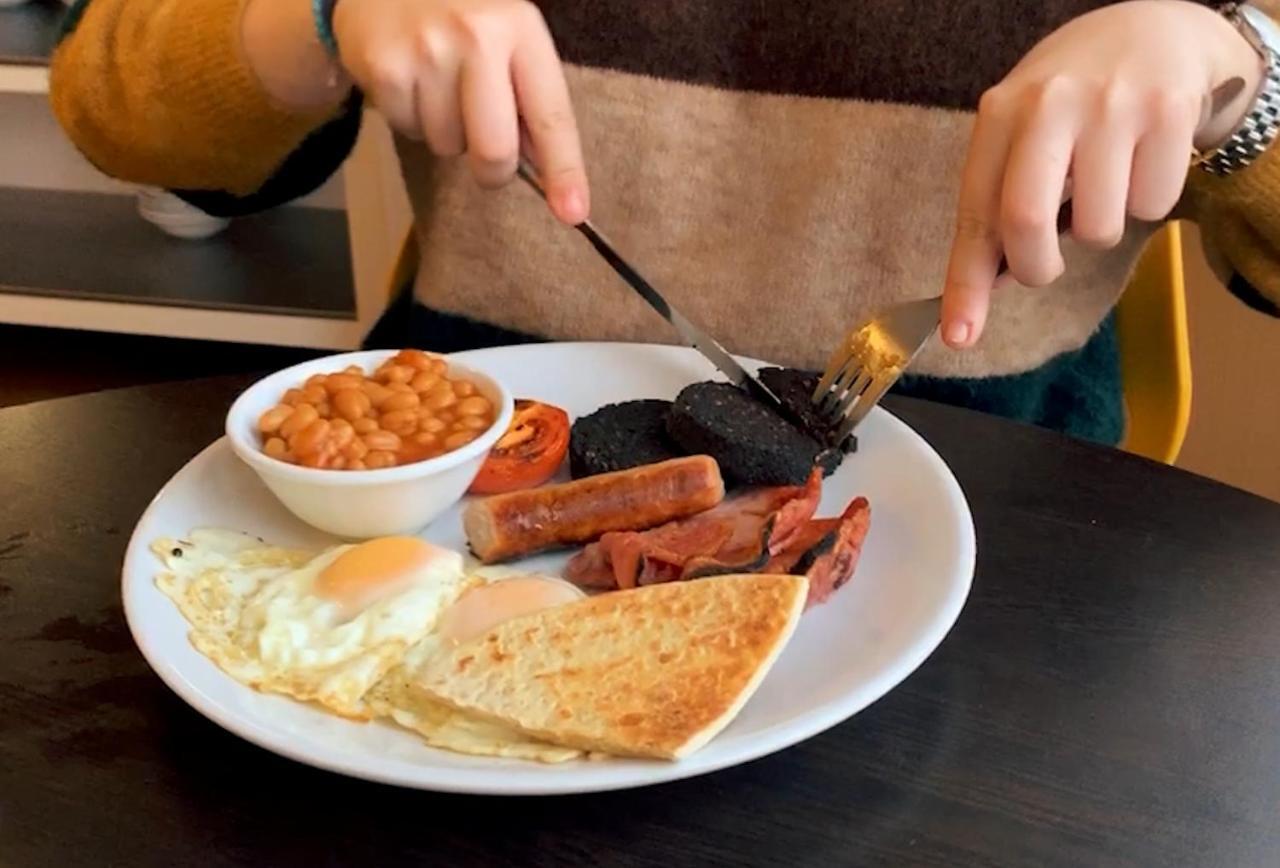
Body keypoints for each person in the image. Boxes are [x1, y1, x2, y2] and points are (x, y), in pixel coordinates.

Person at [47, 0, 1280, 445]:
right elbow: (110, 100)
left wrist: (1235, 67)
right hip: (459, 500)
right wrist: (314, 18)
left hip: (1006, 526)